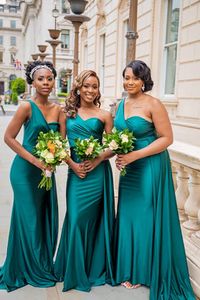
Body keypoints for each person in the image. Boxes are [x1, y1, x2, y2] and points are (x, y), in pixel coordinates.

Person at [114, 60, 195, 300]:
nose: (129, 82)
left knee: (146, 217)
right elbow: (118, 136)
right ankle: (130, 268)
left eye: (135, 78)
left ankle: (147, 271)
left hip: (149, 166)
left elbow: (166, 138)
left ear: (144, 80)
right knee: (128, 215)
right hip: (129, 169)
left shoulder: (154, 104)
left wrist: (134, 155)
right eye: (126, 77)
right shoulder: (121, 104)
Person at [0, 60, 66, 291]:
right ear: (32, 82)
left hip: (46, 172)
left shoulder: (59, 110)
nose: (46, 83)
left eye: (49, 79)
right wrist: (35, 160)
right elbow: (8, 138)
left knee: (42, 217)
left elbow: (62, 143)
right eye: (41, 79)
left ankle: (38, 263)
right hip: (25, 172)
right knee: (29, 219)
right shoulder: (26, 107)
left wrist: (55, 158)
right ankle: (32, 269)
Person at [54, 70, 115, 292]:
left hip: (97, 174)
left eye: (95, 86)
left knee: (94, 220)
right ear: (78, 88)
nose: (90, 90)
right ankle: (74, 269)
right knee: (77, 217)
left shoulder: (105, 115)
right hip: (76, 173)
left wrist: (98, 158)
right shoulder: (66, 114)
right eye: (87, 86)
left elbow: (113, 146)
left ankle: (91, 268)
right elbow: (60, 144)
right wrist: (72, 164)